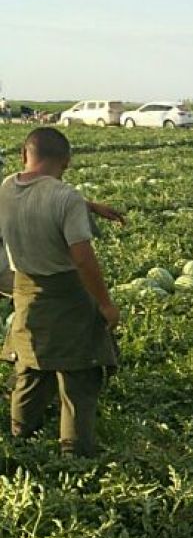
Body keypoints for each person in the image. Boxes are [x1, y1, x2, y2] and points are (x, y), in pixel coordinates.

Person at [0, 126, 125, 457]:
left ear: (24, 156)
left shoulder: (6, 187)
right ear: (66, 163)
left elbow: (39, 195)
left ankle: (21, 438)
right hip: (67, 294)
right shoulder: (64, 198)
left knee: (29, 365)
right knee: (78, 375)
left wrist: (90, 205)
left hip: (25, 288)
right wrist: (106, 304)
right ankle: (76, 455)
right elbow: (83, 260)